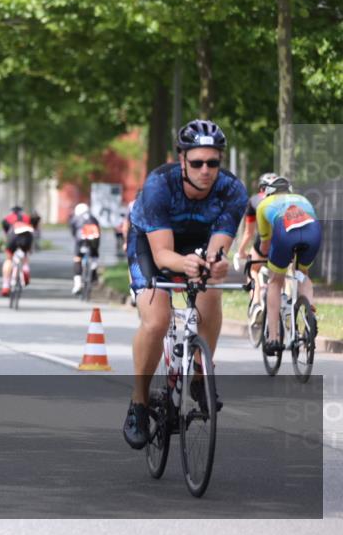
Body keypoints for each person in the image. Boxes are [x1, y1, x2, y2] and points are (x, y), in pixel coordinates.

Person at [122, 119, 247, 450]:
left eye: (213, 163)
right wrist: (186, 263)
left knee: (211, 292)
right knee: (157, 320)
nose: (205, 170)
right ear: (182, 161)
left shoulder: (233, 191)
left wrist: (216, 265)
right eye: (196, 162)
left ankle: (198, 377)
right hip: (151, 244)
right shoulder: (158, 186)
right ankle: (138, 403)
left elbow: (219, 247)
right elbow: (163, 255)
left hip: (198, 241)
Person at [255, 176, 322, 354]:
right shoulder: (303, 199)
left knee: (275, 282)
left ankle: (274, 338)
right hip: (313, 232)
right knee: (303, 274)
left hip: (285, 234)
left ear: (268, 192)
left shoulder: (263, 204)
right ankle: (310, 314)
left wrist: (264, 257)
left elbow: (265, 244)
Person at [236, 172, 280, 307]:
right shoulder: (286, 199)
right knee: (285, 271)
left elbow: (249, 233)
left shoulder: (255, 199)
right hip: (287, 239)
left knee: (253, 269)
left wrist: (241, 252)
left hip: (264, 242)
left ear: (262, 188)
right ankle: (288, 302)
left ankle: (256, 304)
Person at [0, 205, 34, 297]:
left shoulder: (7, 219)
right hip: (27, 235)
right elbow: (33, 230)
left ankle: (6, 285)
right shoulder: (27, 218)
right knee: (25, 254)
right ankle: (25, 268)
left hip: (13, 236)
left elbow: (6, 234)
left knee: (9, 259)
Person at [70, 203, 101, 295]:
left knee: (77, 258)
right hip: (94, 238)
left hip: (81, 239)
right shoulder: (93, 218)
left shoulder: (76, 218)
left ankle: (77, 283)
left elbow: (73, 231)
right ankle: (93, 270)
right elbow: (99, 230)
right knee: (94, 254)